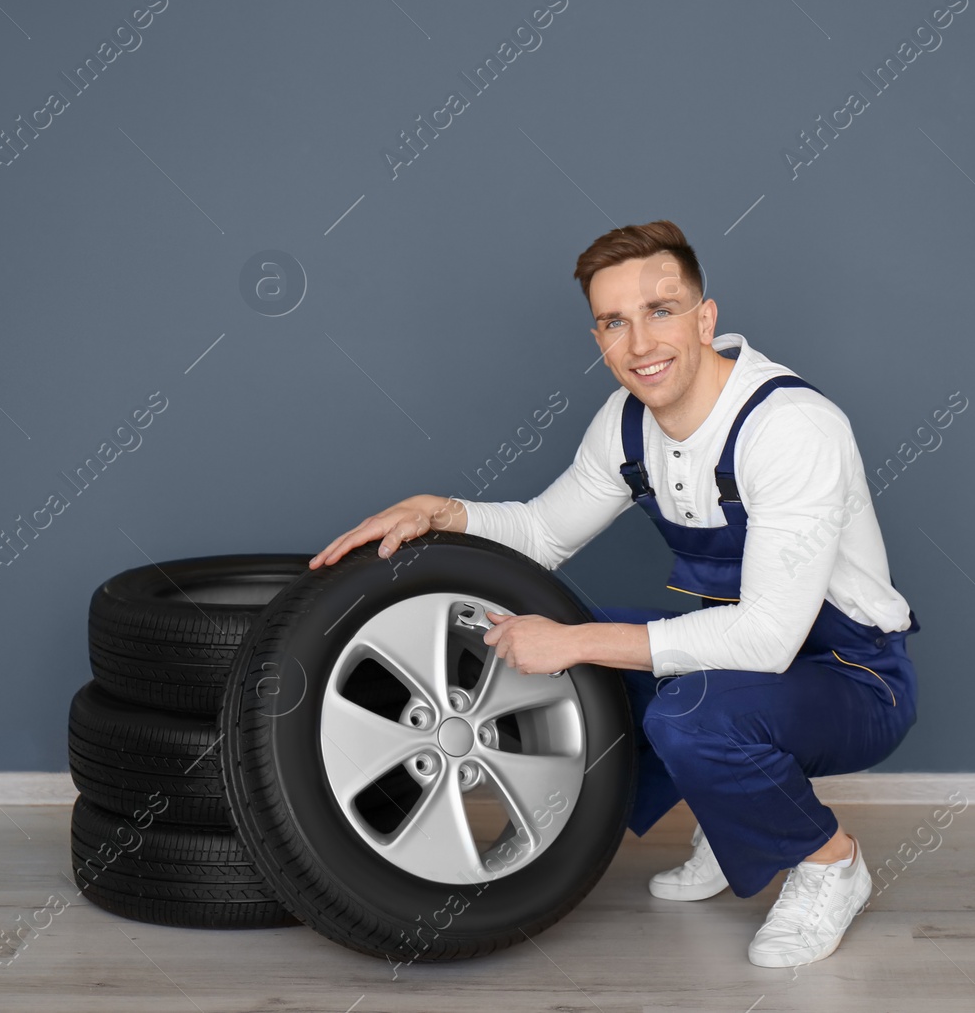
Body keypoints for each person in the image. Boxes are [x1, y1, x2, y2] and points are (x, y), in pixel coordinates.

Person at [308, 219, 920, 969]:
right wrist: (443, 511)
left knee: (671, 700)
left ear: (705, 317)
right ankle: (735, 829)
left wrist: (574, 641)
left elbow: (767, 639)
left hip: (854, 677)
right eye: (613, 322)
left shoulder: (790, 429)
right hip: (736, 665)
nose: (639, 344)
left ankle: (831, 862)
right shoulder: (627, 425)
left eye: (659, 311)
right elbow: (542, 532)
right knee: (588, 661)